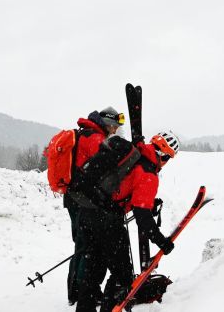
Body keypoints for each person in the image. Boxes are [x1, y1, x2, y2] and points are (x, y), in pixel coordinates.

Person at [74, 130, 181, 312]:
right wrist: (161, 241)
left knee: (93, 267)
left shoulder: (134, 153)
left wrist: (148, 202)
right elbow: (142, 216)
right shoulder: (148, 173)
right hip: (107, 220)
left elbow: (125, 187)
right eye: (168, 158)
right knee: (122, 275)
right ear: (163, 156)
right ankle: (111, 308)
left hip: (87, 210)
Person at [64, 107, 124, 304]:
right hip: (83, 199)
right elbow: (104, 167)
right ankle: (82, 292)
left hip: (75, 197)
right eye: (114, 126)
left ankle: (77, 291)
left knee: (82, 245)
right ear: (106, 124)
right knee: (86, 246)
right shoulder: (95, 139)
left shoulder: (85, 134)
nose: (115, 131)